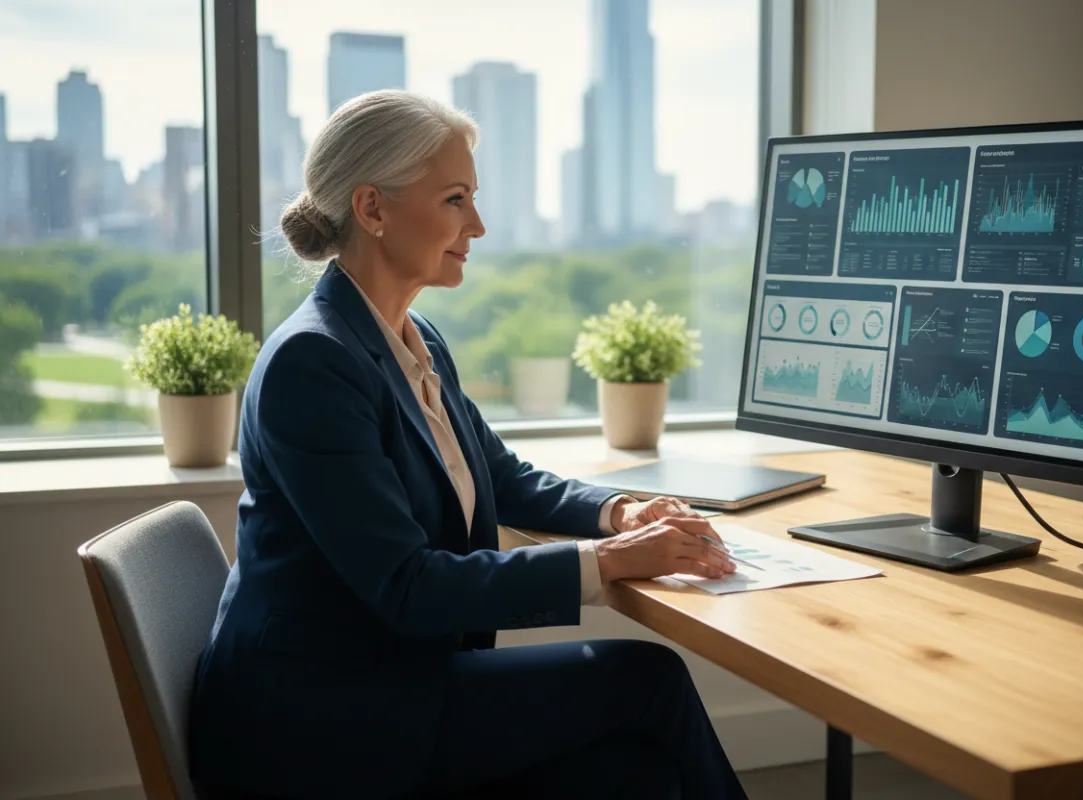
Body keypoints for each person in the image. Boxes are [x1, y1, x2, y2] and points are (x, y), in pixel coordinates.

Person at [187, 90, 748, 800]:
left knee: (642, 771)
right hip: (313, 720)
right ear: (372, 209)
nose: (477, 225)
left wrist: (622, 515)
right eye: (455, 199)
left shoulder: (414, 342)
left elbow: (501, 477)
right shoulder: (314, 364)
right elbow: (407, 586)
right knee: (647, 681)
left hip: (390, 682)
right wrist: (605, 563)